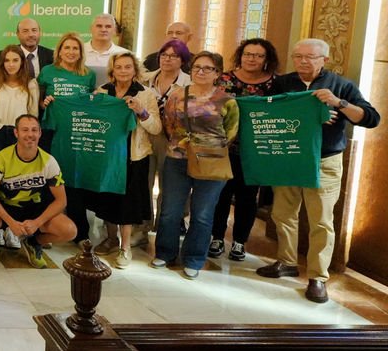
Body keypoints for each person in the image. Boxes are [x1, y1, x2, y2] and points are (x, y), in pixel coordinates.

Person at [257, 39, 380, 303]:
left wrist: (340, 104)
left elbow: (371, 118)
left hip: (324, 160)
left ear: (325, 59)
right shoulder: (283, 83)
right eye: (298, 56)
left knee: (321, 220)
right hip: (288, 157)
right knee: (282, 213)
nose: (303, 61)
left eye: (310, 57)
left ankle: (318, 277)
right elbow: (267, 113)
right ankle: (286, 261)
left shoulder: (341, 85)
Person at [152, 51, 238, 280]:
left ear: (217, 73)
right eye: (197, 67)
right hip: (177, 159)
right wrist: (185, 145)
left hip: (211, 163)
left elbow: (230, 133)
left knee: (202, 213)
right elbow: (168, 125)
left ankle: (194, 258)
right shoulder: (177, 96)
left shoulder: (227, 101)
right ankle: (165, 252)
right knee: (170, 210)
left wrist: (204, 146)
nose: (200, 72)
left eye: (207, 68)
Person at [0, 114, 77, 268]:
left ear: (40, 133)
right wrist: (10, 222)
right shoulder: (2, 157)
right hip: (5, 208)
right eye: (25, 130)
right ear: (16, 133)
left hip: (34, 210)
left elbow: (61, 200)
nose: (30, 134)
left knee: (69, 231)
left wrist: (38, 223)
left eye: (34, 130)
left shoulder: (49, 162)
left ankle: (34, 242)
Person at [210, 38, 279, 263]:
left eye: (258, 55)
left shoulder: (275, 84)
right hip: (223, 147)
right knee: (220, 195)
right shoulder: (224, 79)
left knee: (247, 197)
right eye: (248, 54)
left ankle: (239, 241)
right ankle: (217, 237)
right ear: (240, 55)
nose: (252, 59)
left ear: (266, 59)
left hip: (255, 151)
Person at [91, 52, 161, 268]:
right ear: (112, 70)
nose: (123, 71)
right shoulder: (103, 91)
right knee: (107, 200)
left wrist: (141, 112)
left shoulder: (146, 94)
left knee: (127, 204)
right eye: (118, 67)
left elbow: (156, 128)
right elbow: (92, 119)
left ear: (135, 69)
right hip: (108, 155)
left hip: (134, 156)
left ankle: (125, 248)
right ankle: (111, 238)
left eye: (127, 67)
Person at [38, 32, 97, 242]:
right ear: (59, 51)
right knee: (49, 180)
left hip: (77, 134)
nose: (71, 52)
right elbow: (37, 99)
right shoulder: (47, 72)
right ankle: (45, 228)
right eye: (67, 48)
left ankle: (80, 233)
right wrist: (43, 103)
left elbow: (91, 103)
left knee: (73, 182)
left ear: (81, 52)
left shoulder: (88, 75)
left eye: (75, 48)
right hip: (51, 132)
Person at [0, 44, 39, 249]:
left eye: (15, 60)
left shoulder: (31, 84)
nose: (10, 64)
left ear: (22, 62)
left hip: (20, 136)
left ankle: (13, 231)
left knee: (15, 184)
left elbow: (33, 113)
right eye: (7, 60)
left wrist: (30, 138)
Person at [142, 38, 192, 227]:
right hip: (147, 135)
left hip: (174, 140)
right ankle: (144, 225)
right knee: (144, 182)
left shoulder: (188, 83)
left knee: (169, 184)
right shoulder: (146, 78)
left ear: (182, 60)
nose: (167, 59)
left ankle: (165, 226)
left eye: (173, 56)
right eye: (164, 55)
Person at [84, 14, 129, 88]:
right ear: (91, 29)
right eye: (99, 26)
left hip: (113, 98)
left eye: (108, 26)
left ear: (115, 31)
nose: (103, 30)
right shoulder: (77, 51)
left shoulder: (125, 55)